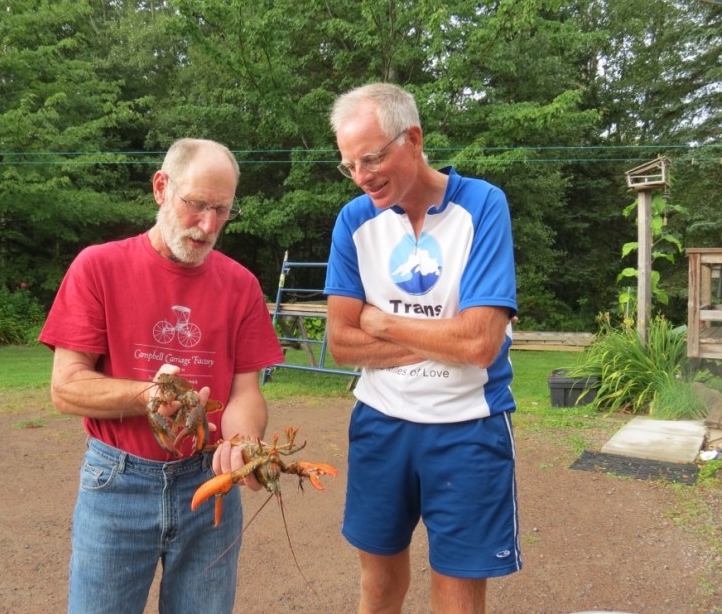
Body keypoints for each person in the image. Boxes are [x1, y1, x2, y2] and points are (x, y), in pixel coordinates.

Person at [39, 138, 284, 613]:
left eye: (222, 210)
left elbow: (245, 393)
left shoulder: (242, 285)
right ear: (160, 188)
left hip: (208, 483)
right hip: (117, 483)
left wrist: (243, 443)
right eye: (197, 205)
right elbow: (66, 387)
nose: (208, 225)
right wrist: (149, 395)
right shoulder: (98, 266)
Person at [323, 83, 521, 614]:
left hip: (467, 425)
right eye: (349, 165)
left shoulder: (483, 205)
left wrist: (382, 322)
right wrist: (445, 339)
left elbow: (479, 343)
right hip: (380, 422)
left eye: (371, 158)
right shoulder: (354, 221)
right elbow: (341, 342)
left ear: (413, 139)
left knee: (457, 594)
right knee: (379, 587)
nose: (361, 176)